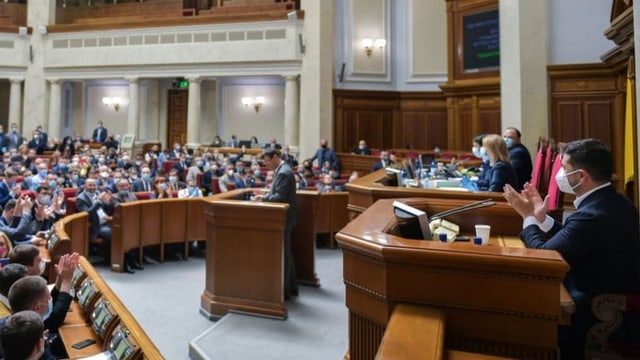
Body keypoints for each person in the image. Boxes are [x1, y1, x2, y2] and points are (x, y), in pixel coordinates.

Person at [502, 138, 640, 359]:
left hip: (595, 304)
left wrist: (527, 216)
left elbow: (546, 256)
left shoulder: (591, 214)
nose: (560, 176)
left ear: (581, 176)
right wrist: (541, 218)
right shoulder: (614, 202)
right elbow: (573, 238)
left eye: (564, 169)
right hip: (600, 289)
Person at [251, 149, 298, 299]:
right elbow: (276, 192)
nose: (266, 164)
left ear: (276, 157)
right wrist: (264, 195)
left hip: (284, 219)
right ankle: (290, 287)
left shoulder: (283, 172)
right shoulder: (282, 170)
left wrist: (263, 199)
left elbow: (280, 196)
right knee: (286, 252)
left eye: (268, 161)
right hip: (285, 218)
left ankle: (285, 290)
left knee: (285, 253)